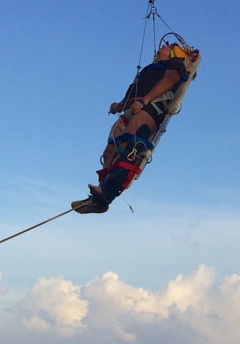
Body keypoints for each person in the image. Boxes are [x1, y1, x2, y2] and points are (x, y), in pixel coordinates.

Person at [72, 41, 190, 214]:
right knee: (110, 151)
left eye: (166, 46)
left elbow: (169, 80)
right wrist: (120, 105)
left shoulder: (175, 64)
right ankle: (99, 195)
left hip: (150, 107)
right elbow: (135, 90)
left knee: (129, 148)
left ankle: (107, 194)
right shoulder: (149, 69)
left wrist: (145, 100)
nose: (160, 48)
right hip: (133, 107)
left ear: (173, 52)